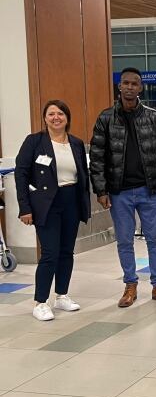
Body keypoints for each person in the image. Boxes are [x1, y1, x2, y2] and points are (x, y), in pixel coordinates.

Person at [90, 67, 156, 307]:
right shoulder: (105, 118)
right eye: (125, 83)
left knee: (155, 239)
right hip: (119, 193)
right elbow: (97, 157)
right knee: (124, 241)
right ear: (120, 86)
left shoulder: (153, 117)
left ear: (140, 88)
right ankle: (130, 285)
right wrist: (101, 190)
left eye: (134, 84)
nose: (130, 87)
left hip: (150, 190)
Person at [15, 100, 91, 321]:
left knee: (67, 252)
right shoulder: (34, 142)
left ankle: (62, 295)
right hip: (46, 204)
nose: (56, 117)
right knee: (50, 253)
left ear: (67, 118)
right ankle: (40, 302)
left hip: (71, 201)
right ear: (45, 118)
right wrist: (25, 208)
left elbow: (82, 175)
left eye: (60, 113)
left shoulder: (76, 143)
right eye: (51, 114)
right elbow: (21, 175)